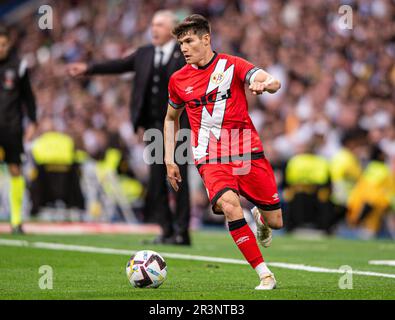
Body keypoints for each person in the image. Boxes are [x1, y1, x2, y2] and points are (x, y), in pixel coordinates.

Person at [164, 14, 283, 290]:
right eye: (181, 42)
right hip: (209, 155)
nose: (183, 47)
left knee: (276, 222)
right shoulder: (178, 80)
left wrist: (264, 84)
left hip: (246, 151)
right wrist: (169, 158)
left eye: (189, 40)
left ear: (206, 39)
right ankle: (265, 273)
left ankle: (262, 218)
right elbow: (171, 118)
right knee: (229, 204)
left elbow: (273, 81)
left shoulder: (233, 65)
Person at [68, 10, 191, 245]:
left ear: (173, 30)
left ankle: (182, 232)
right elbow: (119, 65)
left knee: (179, 178)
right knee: (157, 180)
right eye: (153, 24)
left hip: (179, 126)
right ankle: (166, 230)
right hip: (155, 127)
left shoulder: (183, 54)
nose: (153, 29)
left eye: (160, 25)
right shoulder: (144, 53)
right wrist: (89, 68)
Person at [0, 27, 37, 234]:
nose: (1, 48)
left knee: (15, 170)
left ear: (9, 44)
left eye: (3, 44)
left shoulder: (18, 66)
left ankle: (16, 220)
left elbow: (28, 97)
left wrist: (33, 121)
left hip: (12, 128)